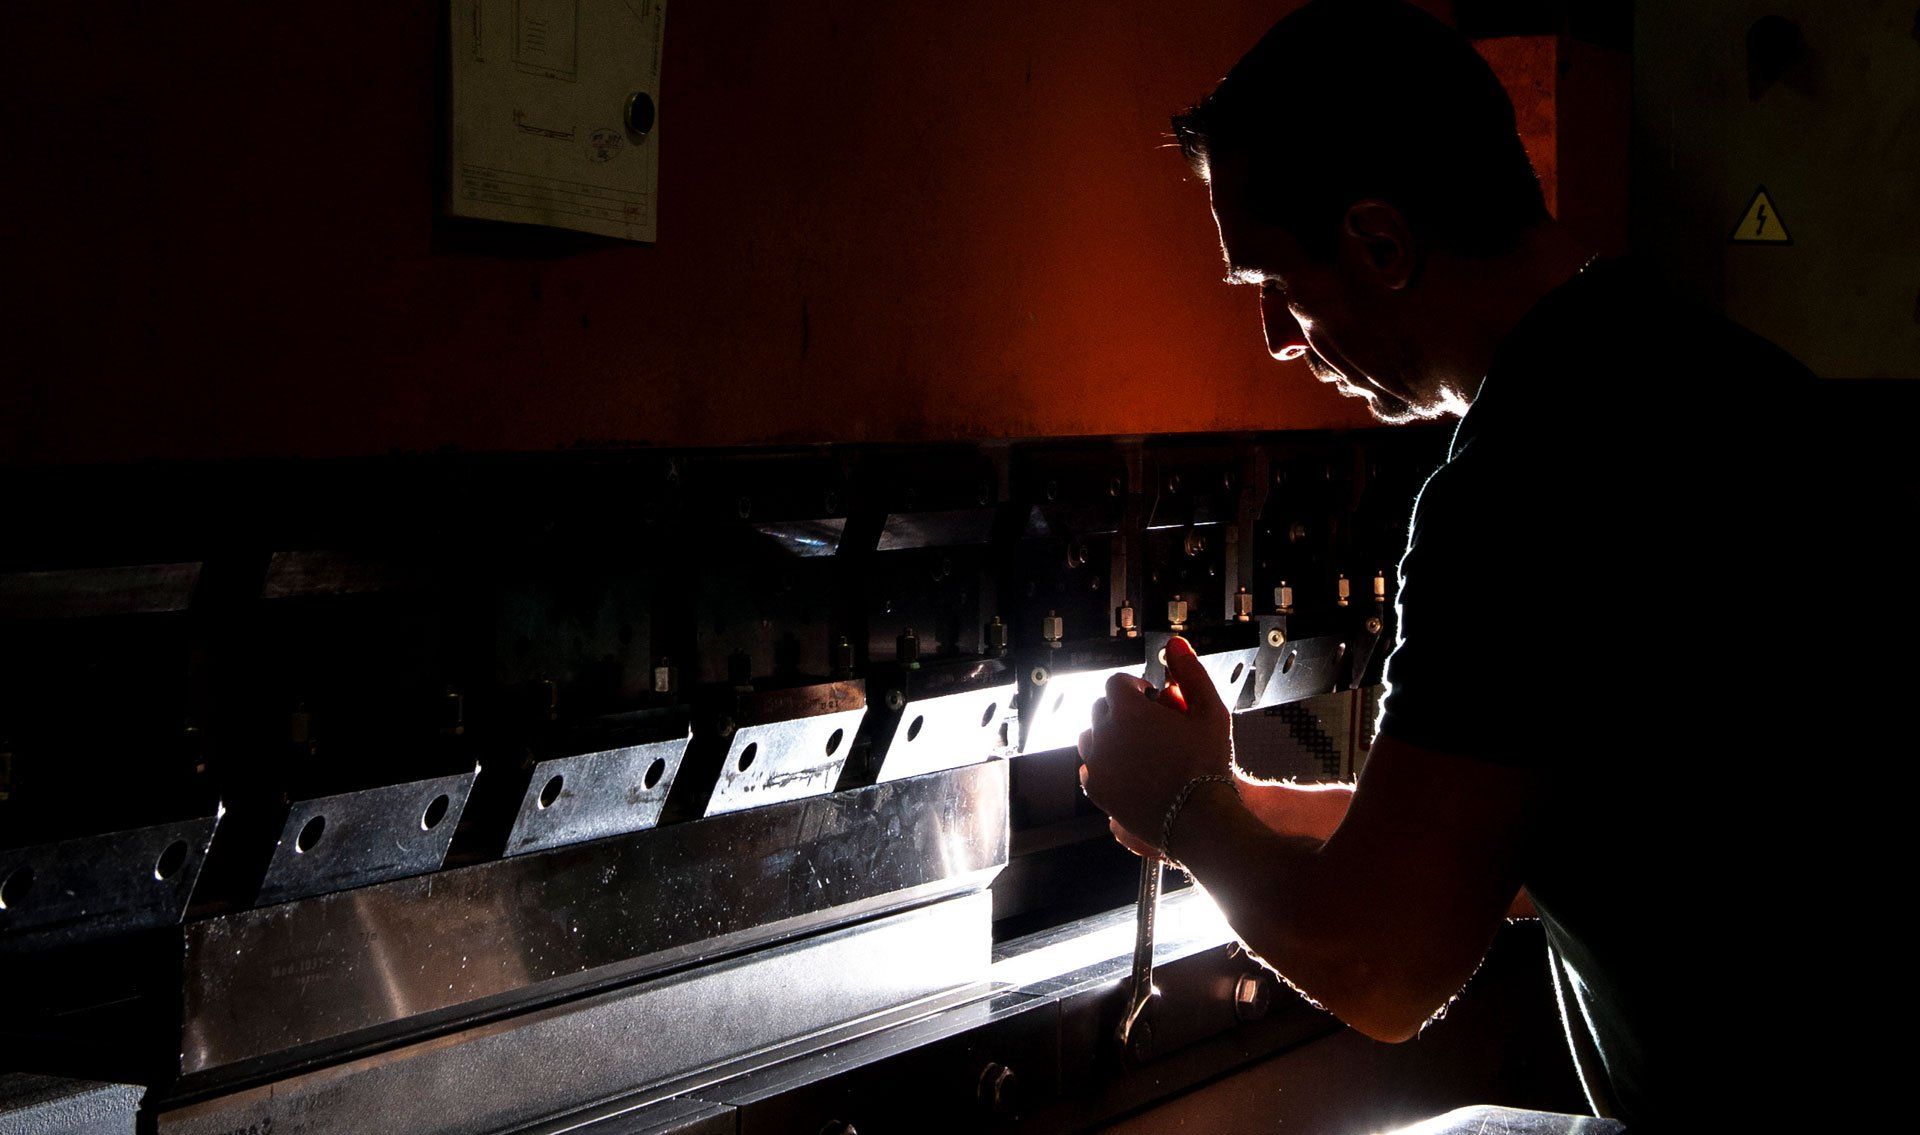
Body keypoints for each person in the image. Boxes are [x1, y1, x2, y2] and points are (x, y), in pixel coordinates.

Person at [1076, 1, 1901, 1129]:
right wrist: (1237, 798)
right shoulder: (1713, 377)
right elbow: (1550, 829)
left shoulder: (1519, 486)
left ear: (1380, 243)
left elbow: (1383, 964)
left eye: (1277, 284)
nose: (1275, 336)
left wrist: (1181, 807)